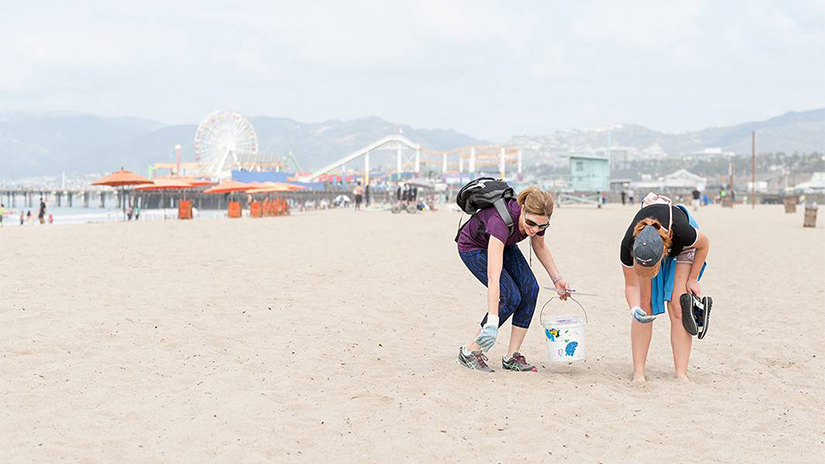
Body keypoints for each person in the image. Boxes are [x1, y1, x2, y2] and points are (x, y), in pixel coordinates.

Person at [456, 187, 571, 373]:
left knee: (531, 289)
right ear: (523, 209)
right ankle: (470, 352)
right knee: (510, 296)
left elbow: (540, 246)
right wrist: (493, 321)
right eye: (531, 223)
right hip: (473, 247)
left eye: (542, 226)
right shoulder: (500, 221)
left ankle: (512, 356)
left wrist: (557, 279)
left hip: (505, 243)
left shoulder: (538, 220)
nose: (534, 230)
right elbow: (494, 278)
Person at [620, 194, 710, 383]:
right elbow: (631, 285)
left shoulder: (684, 233)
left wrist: (693, 279)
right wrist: (634, 308)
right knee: (645, 306)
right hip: (654, 240)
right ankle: (638, 373)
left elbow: (704, 244)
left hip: (683, 246)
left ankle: (681, 372)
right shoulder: (628, 245)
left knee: (678, 305)